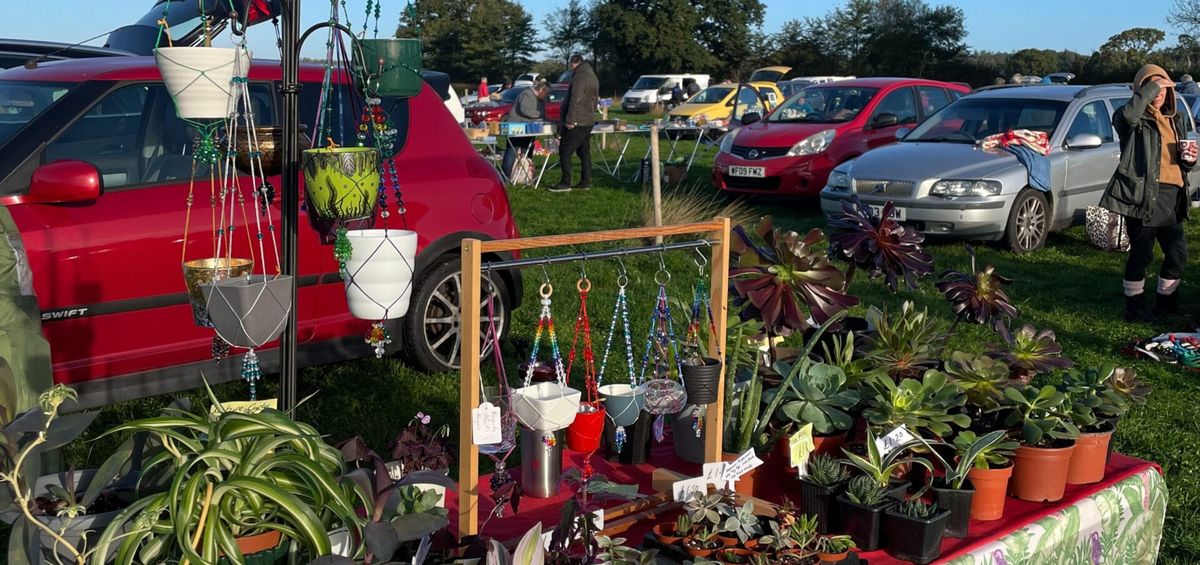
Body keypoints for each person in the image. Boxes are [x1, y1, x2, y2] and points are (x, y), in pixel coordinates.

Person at [1100, 64, 1198, 321]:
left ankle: (1166, 304)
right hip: (1143, 196)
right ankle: (1134, 308)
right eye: (1152, 87)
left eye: (1164, 87)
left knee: (1177, 254)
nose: (1159, 92)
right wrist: (1152, 87)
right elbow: (1129, 116)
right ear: (1140, 90)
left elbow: (1177, 160)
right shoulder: (1131, 118)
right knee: (1142, 253)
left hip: (1173, 196)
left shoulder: (1174, 119)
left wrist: (1189, 160)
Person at [554, 54, 599, 192]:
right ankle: (585, 182)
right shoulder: (592, 76)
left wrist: (570, 119)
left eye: (571, 66)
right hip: (588, 120)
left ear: (573, 64)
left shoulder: (579, 76)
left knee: (565, 151)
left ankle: (565, 182)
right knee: (584, 152)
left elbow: (575, 99)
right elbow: (595, 99)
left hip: (578, 120)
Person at [502, 81, 550, 179]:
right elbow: (526, 110)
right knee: (512, 151)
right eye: (546, 93)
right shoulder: (526, 94)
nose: (546, 95)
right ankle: (505, 177)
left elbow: (542, 111)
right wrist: (541, 115)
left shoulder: (540, 99)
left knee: (528, 150)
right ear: (540, 90)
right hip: (516, 127)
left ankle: (525, 174)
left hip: (529, 129)